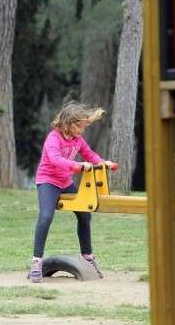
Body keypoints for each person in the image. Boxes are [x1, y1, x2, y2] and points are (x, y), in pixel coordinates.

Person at [28, 101, 117, 283]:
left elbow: (89, 154)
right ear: (68, 123)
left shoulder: (78, 140)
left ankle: (87, 256)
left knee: (85, 213)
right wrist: (77, 166)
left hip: (65, 182)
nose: (81, 130)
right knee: (46, 216)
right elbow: (55, 160)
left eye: (84, 126)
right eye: (79, 126)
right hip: (48, 181)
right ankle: (36, 261)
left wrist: (102, 163)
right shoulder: (53, 138)